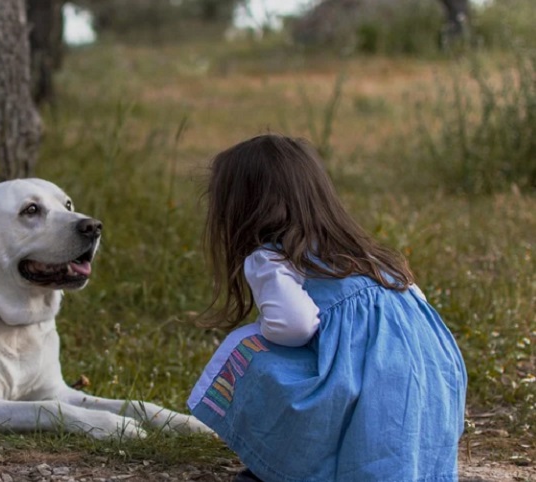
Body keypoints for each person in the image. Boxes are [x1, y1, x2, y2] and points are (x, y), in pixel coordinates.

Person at [188, 134, 467, 482]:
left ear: (241, 208)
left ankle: (288, 464)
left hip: (367, 388)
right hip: (431, 384)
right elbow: (418, 310)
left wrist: (264, 331)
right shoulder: (367, 254)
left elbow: (295, 326)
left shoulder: (272, 258)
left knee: (247, 350)